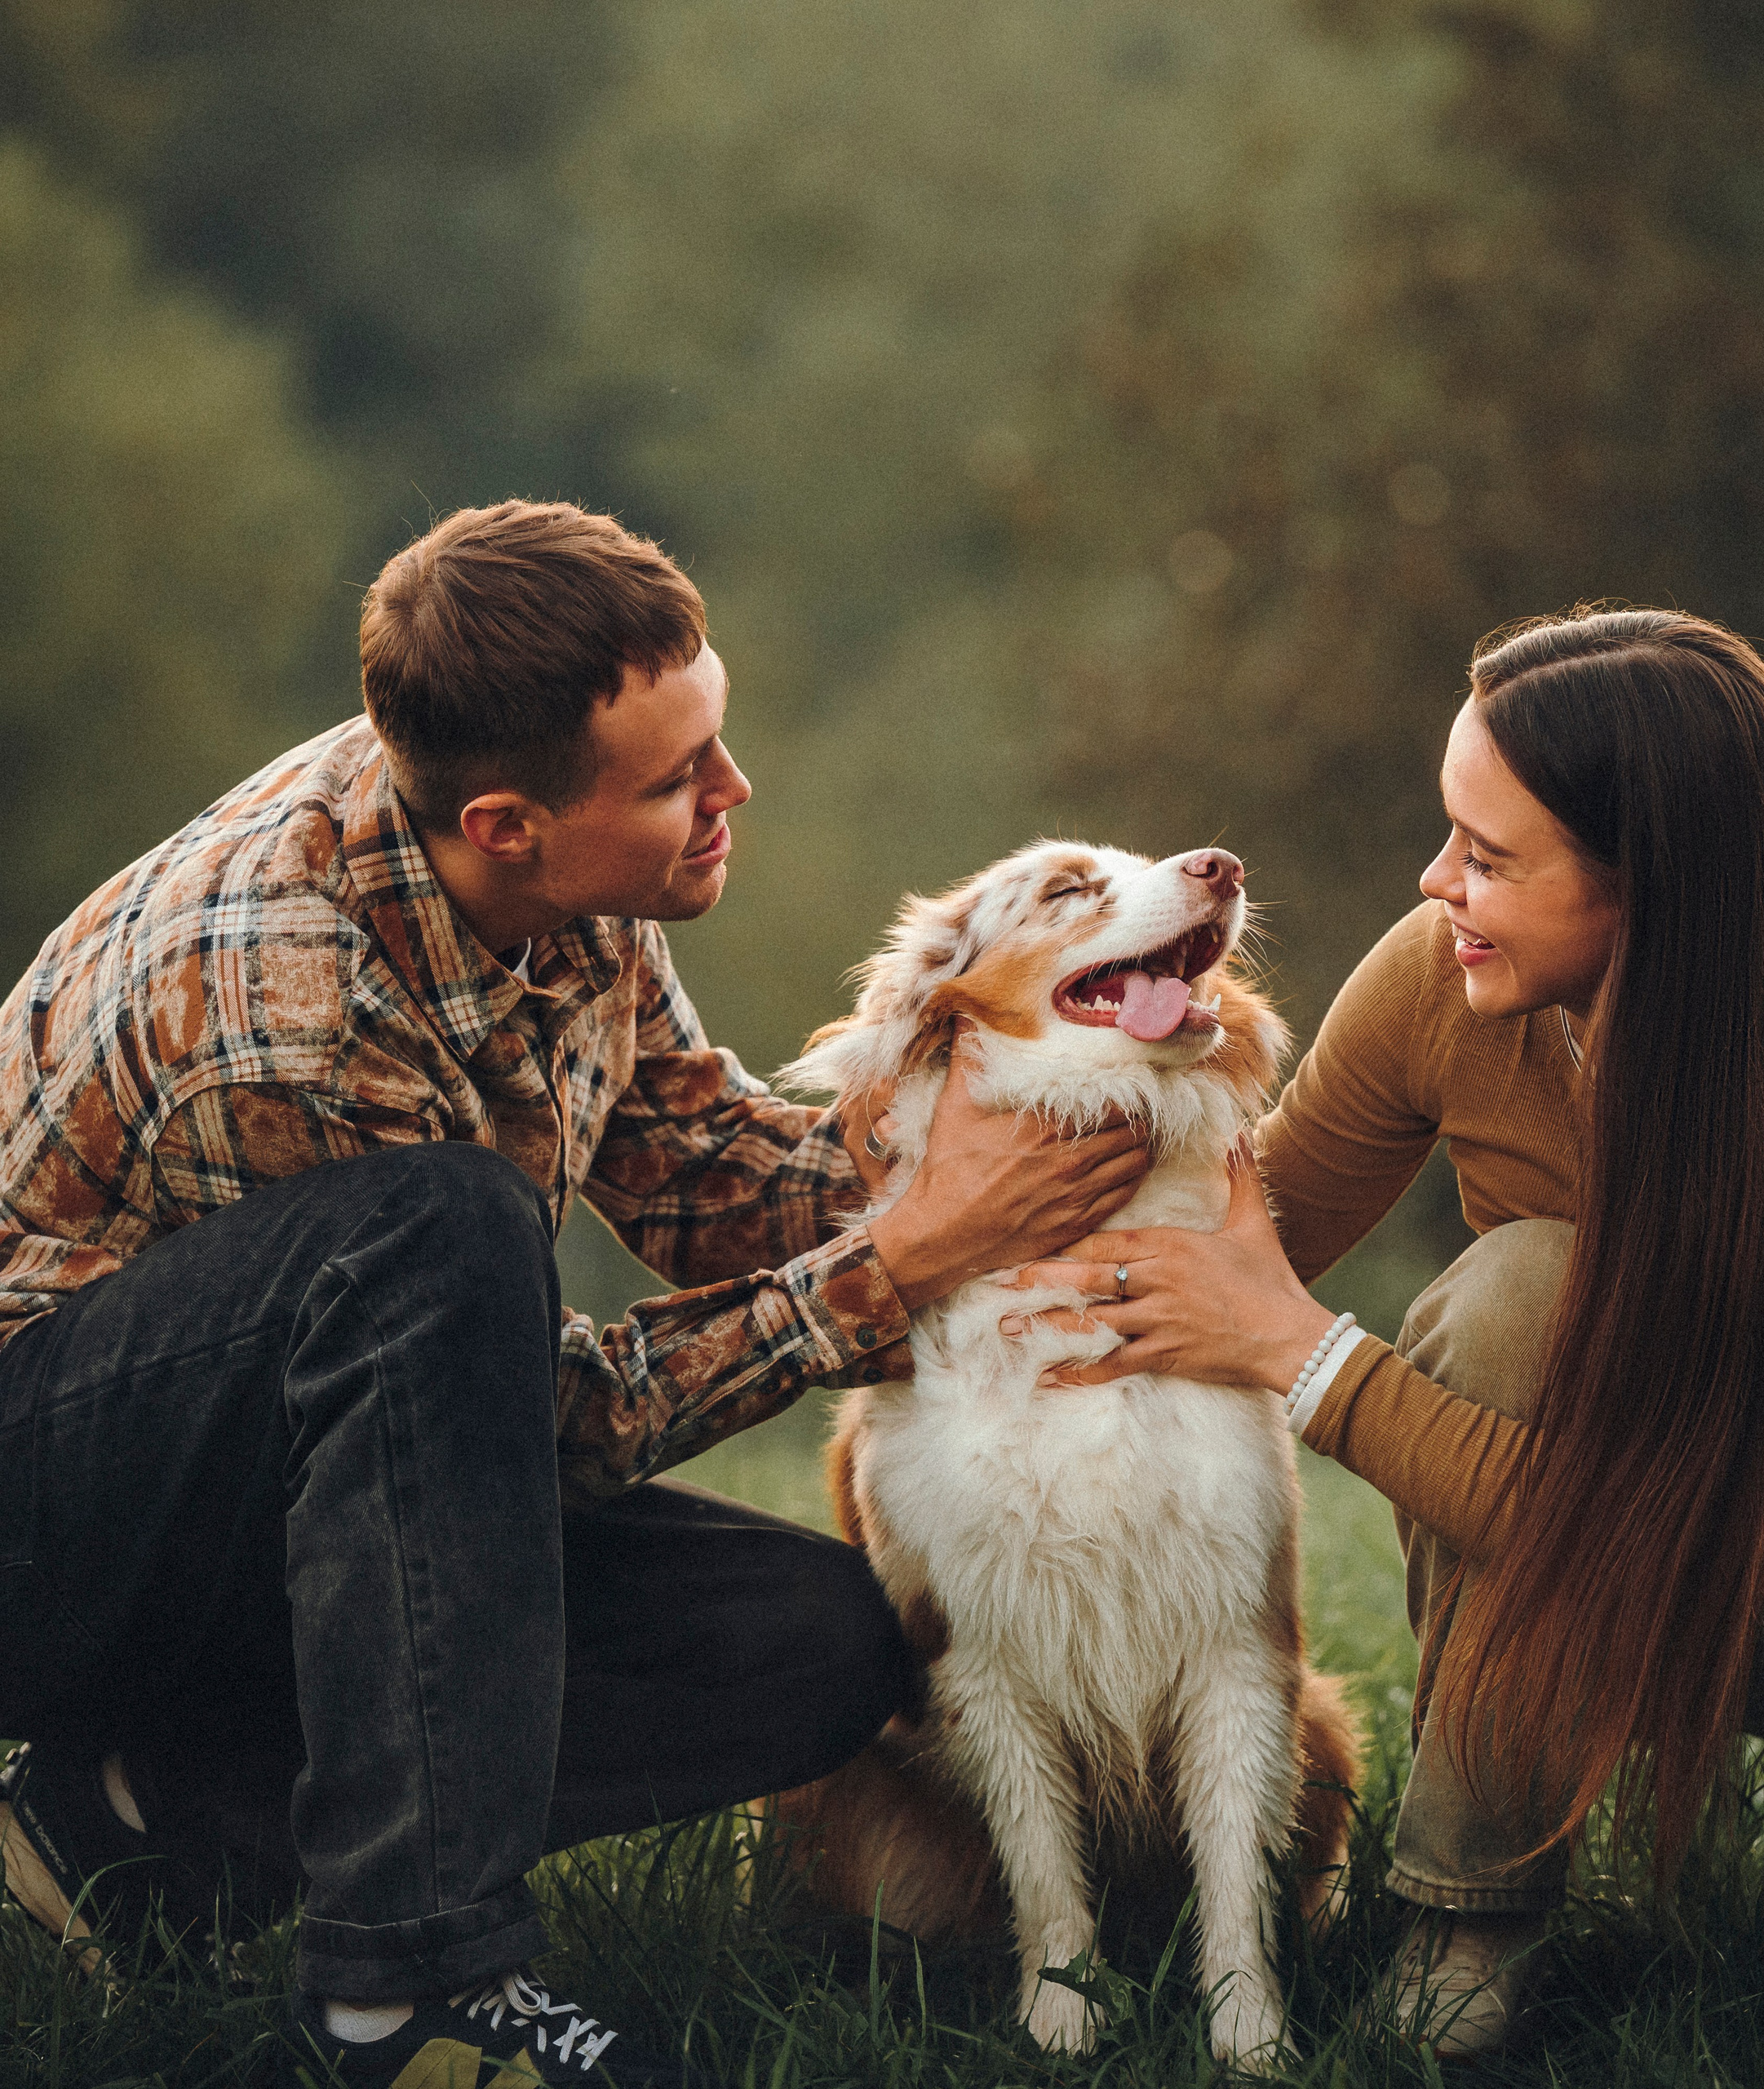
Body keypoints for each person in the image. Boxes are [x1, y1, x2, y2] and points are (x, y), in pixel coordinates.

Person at [0, 500, 1150, 2086]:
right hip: (50, 1508)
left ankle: (140, 1816)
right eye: (680, 778)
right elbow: (521, 1430)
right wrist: (904, 1257)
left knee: (814, 1641)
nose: (731, 793)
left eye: (715, 738)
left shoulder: (551, 857)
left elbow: (698, 1172)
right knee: (441, 1228)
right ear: (508, 822)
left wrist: (1018, 1166)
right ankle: (401, 1991)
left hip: (281, 1495)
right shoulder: (290, 1007)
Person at [1009, 607, 1764, 2054]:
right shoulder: (1437, 979)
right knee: (1521, 1288)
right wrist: (923, 1221)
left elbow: (1687, 1523)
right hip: (1573, 1406)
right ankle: (1473, 1914)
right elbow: (1237, 1236)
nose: (1435, 880)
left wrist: (1310, 1360)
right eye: (1451, 832)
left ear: (1653, 883)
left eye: (1490, 857)